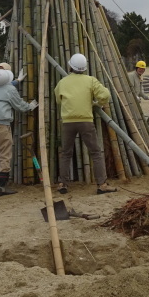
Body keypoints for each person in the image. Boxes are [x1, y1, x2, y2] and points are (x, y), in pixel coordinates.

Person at [54, 53, 117, 195]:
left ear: (70, 66)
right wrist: (97, 104)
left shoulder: (63, 82)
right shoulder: (90, 80)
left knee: (65, 153)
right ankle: (102, 184)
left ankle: (63, 183)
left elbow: (58, 100)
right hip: (86, 121)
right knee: (95, 152)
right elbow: (105, 95)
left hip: (68, 122)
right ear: (84, 68)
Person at [0, 69, 38, 196]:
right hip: (1, 125)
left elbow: (5, 87)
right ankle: (1, 187)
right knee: (5, 154)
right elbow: (19, 105)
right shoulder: (10, 90)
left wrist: (17, 81)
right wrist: (30, 106)